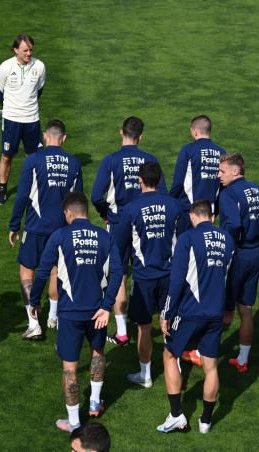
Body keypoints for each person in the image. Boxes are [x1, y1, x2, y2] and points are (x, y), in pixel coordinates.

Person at [28, 192, 123, 432]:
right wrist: (106, 306)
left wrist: (33, 299)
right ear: (86, 212)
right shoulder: (104, 236)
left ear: (68, 213)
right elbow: (118, 273)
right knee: (98, 353)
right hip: (97, 313)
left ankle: (74, 422)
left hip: (70, 313)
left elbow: (42, 272)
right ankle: (94, 402)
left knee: (70, 368)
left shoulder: (59, 236)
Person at [157, 200, 234, 434]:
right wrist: (229, 308)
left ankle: (177, 415)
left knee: (169, 355)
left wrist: (166, 313)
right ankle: (206, 422)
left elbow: (177, 281)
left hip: (190, 312)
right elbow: (230, 278)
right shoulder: (228, 240)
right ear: (212, 217)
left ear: (192, 217)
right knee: (211, 366)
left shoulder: (187, 239)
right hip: (215, 313)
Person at [91, 116, 167, 347]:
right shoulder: (150, 159)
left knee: (118, 273)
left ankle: (123, 330)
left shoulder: (111, 160)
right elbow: (162, 194)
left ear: (120, 132)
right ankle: (152, 317)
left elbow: (96, 196)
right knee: (144, 269)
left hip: (118, 223)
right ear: (141, 136)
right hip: (147, 222)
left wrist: (105, 213)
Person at [114, 162, 186, 388]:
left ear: (140, 181)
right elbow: (184, 241)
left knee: (144, 326)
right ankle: (175, 368)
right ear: (161, 180)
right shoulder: (176, 207)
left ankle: (145, 374)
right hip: (171, 276)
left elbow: (120, 244)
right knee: (172, 322)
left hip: (144, 277)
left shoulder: (131, 209)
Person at [9, 119, 83, 339]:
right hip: (62, 228)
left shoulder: (33, 161)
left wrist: (14, 225)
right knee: (55, 272)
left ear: (44, 135)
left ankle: (34, 323)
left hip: (35, 227)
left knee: (26, 271)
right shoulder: (73, 163)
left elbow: (22, 196)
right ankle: (53, 317)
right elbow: (77, 200)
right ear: (64, 138)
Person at [218, 153, 259, 372]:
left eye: (222, 171)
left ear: (236, 171)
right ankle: (243, 360)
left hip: (236, 254)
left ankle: (204, 352)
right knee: (246, 310)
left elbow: (234, 224)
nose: (219, 176)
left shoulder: (228, 194)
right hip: (254, 254)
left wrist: (225, 244)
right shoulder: (258, 189)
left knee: (224, 309)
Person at [0, 33, 46, 204]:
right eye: (25, 50)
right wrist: (12, 108)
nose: (29, 53)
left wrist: (26, 106)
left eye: (31, 50)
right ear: (15, 50)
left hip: (32, 119)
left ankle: (34, 189)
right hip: (11, 120)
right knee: (7, 156)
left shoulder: (39, 66)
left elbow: (38, 90)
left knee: (33, 157)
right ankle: (2, 188)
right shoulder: (5, 68)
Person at [170, 115, 227, 216]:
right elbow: (223, 185)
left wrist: (170, 201)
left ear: (195, 131)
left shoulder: (188, 150)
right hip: (210, 210)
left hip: (188, 209)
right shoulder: (222, 152)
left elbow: (178, 182)